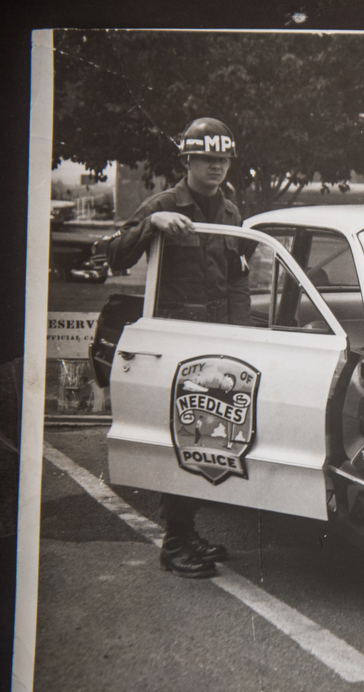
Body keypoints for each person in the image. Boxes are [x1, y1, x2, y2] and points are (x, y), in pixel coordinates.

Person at [95, 117, 250, 579]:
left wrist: (242, 336)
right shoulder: (163, 203)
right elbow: (115, 255)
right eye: (207, 158)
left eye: (222, 159)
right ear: (187, 160)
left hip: (218, 335)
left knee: (212, 435)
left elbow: (239, 275)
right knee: (184, 435)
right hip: (175, 336)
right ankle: (176, 541)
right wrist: (151, 224)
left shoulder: (230, 210)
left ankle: (189, 532)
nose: (216, 166)